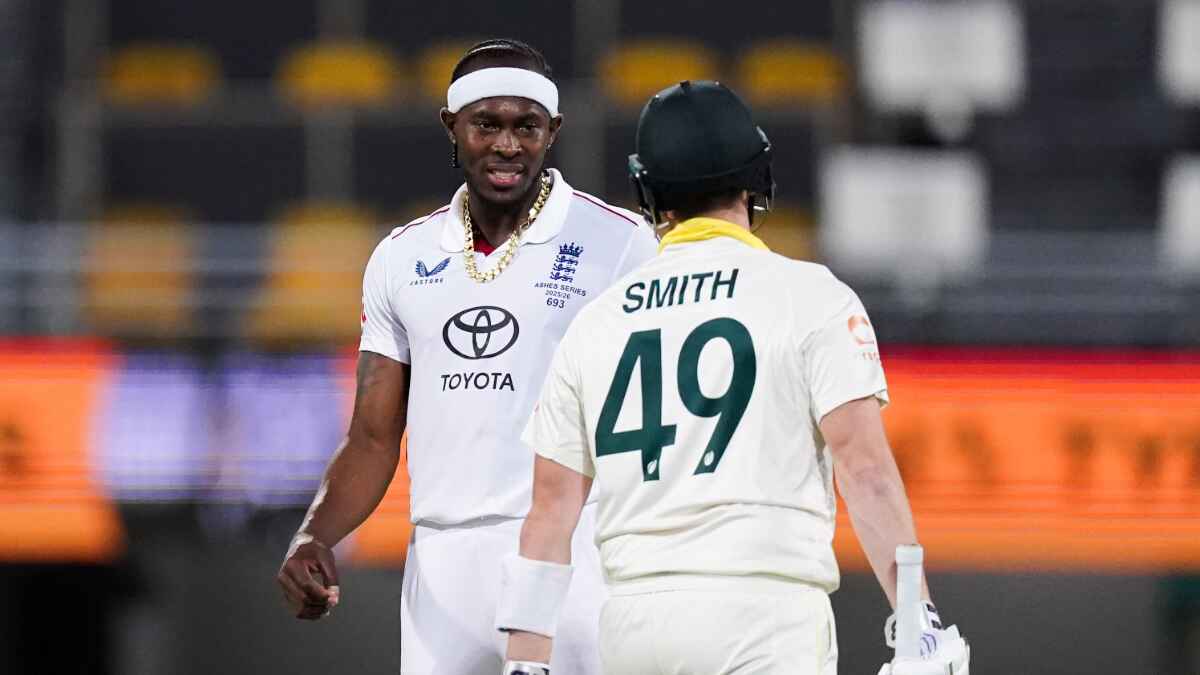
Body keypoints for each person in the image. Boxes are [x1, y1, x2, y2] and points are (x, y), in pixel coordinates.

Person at [495, 81, 970, 675]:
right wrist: (918, 622)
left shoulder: (594, 324)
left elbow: (551, 510)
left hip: (634, 626)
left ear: (651, 192)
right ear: (756, 176)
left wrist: (525, 657)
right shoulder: (811, 296)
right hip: (765, 616)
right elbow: (865, 469)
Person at [276, 38, 658, 675]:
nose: (508, 145)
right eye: (487, 124)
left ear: (553, 131)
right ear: (451, 126)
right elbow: (372, 436)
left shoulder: (619, 242)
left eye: (526, 127)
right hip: (440, 563)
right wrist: (314, 534)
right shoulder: (402, 256)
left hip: (575, 553)